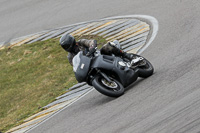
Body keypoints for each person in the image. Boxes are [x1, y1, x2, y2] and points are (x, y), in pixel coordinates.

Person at [59, 34, 134, 66]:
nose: (67, 47)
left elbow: (90, 42)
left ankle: (126, 55)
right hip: (90, 65)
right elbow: (75, 66)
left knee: (107, 47)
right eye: (65, 46)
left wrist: (92, 47)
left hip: (99, 56)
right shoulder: (70, 57)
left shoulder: (81, 42)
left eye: (67, 45)